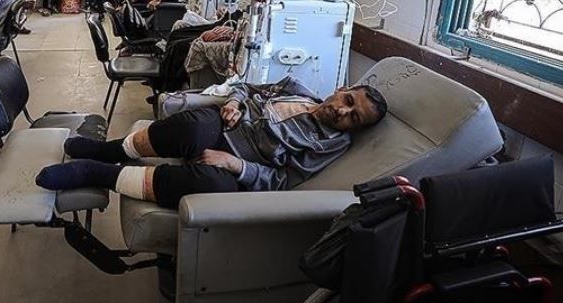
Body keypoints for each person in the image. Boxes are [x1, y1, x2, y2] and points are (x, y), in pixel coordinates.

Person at [36, 78, 388, 209]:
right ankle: (110, 151)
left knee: (213, 186)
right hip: (223, 126)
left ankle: (96, 173)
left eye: (354, 117)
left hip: (239, 166)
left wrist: (236, 165)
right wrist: (234, 102)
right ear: (342, 89)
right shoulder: (296, 88)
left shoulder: (331, 144)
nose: (342, 112)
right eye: (348, 101)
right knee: (193, 127)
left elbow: (284, 181)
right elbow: (246, 87)